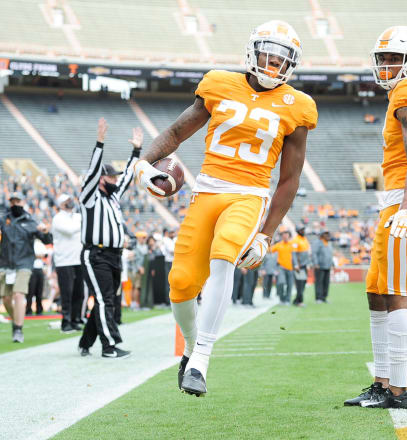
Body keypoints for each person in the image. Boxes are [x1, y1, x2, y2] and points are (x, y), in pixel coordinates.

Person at [133, 20, 317, 396]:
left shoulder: (297, 106)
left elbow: (290, 180)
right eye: (268, 54)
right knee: (181, 284)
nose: (273, 65)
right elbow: (174, 134)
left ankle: (201, 358)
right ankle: (191, 345)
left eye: (283, 60)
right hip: (207, 191)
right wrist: (142, 163)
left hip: (248, 196)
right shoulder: (218, 83)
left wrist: (266, 235)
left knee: (225, 253)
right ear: (253, 52)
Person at [345, 26, 407, 410]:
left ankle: (399, 391)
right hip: (403, 200)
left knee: (397, 292)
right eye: (383, 58)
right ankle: (382, 382)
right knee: (377, 289)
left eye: (395, 59)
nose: (387, 66)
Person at [76, 121, 140, 359]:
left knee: (107, 299)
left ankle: (86, 341)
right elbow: (92, 173)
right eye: (111, 177)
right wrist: (100, 143)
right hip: (96, 254)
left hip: (114, 255)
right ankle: (109, 346)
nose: (115, 180)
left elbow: (128, 177)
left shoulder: (113, 199)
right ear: (102, 180)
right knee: (105, 300)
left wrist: (136, 152)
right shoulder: (90, 197)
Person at [0, 192, 52, 343]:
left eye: (17, 201)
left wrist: (46, 232)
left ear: (22, 202)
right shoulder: (3, 219)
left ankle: (18, 329)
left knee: (19, 295)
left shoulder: (30, 220)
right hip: (5, 264)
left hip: (24, 263)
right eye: (12, 201)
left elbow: (46, 240)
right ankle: (16, 321)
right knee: (5, 299)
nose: (14, 204)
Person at [52, 194, 84, 332]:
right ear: (61, 204)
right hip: (64, 260)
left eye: (71, 200)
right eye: (67, 201)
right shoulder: (58, 218)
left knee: (79, 292)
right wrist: (82, 223)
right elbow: (70, 230)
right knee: (67, 293)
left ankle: (75, 319)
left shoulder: (77, 217)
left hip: (78, 258)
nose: (70, 202)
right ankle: (66, 322)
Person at [269, 229, 295, 304]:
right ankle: (282, 298)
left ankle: (287, 300)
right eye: (283, 235)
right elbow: (270, 250)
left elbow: (295, 256)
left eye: (286, 234)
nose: (285, 236)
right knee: (281, 283)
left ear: (289, 236)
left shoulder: (292, 245)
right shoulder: (278, 245)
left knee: (290, 285)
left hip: (291, 268)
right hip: (281, 268)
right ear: (282, 236)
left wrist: (296, 265)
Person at [26, 240, 48, 316]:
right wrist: (37, 255)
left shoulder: (41, 244)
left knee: (39, 291)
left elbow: (45, 255)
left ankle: (39, 309)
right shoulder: (29, 243)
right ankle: (28, 309)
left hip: (40, 268)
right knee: (30, 291)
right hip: (32, 268)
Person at [291, 225, 311, 306]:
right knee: (300, 283)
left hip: (304, 265)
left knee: (303, 282)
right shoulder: (295, 240)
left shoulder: (304, 239)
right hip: (299, 266)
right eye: (302, 230)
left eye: (303, 229)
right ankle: (299, 301)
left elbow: (306, 252)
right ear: (298, 231)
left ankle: (296, 300)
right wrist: (296, 265)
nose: (303, 231)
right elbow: (294, 254)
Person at [313, 230, 333, 303]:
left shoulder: (329, 243)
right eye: (326, 234)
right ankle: (318, 298)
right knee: (319, 282)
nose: (328, 236)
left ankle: (324, 297)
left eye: (328, 234)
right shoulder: (317, 243)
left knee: (326, 282)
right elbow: (314, 253)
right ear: (322, 235)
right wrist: (316, 263)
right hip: (320, 266)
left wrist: (332, 263)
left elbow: (330, 255)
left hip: (327, 266)